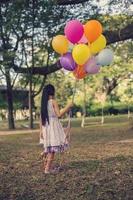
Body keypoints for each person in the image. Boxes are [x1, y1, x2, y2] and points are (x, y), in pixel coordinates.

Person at [40, 84, 73, 174]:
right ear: (52, 91)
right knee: (53, 150)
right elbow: (59, 115)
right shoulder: (53, 101)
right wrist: (68, 106)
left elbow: (41, 119)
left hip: (46, 127)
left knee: (50, 146)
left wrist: (41, 131)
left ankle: (44, 152)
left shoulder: (43, 103)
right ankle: (47, 169)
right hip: (53, 126)